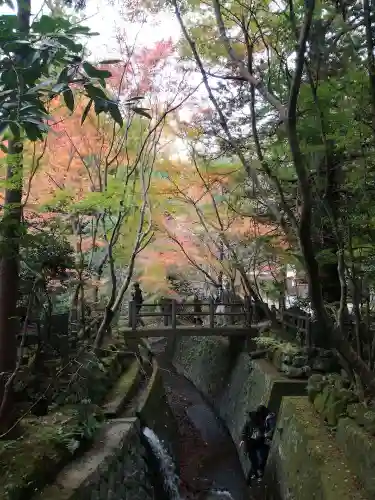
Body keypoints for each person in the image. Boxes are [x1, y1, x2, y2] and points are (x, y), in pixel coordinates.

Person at [240, 411, 266, 484]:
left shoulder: (254, 424)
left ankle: (253, 478)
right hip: (252, 446)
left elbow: (244, 434)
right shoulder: (251, 424)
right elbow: (244, 434)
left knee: (256, 462)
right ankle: (253, 478)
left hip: (255, 446)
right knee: (255, 462)